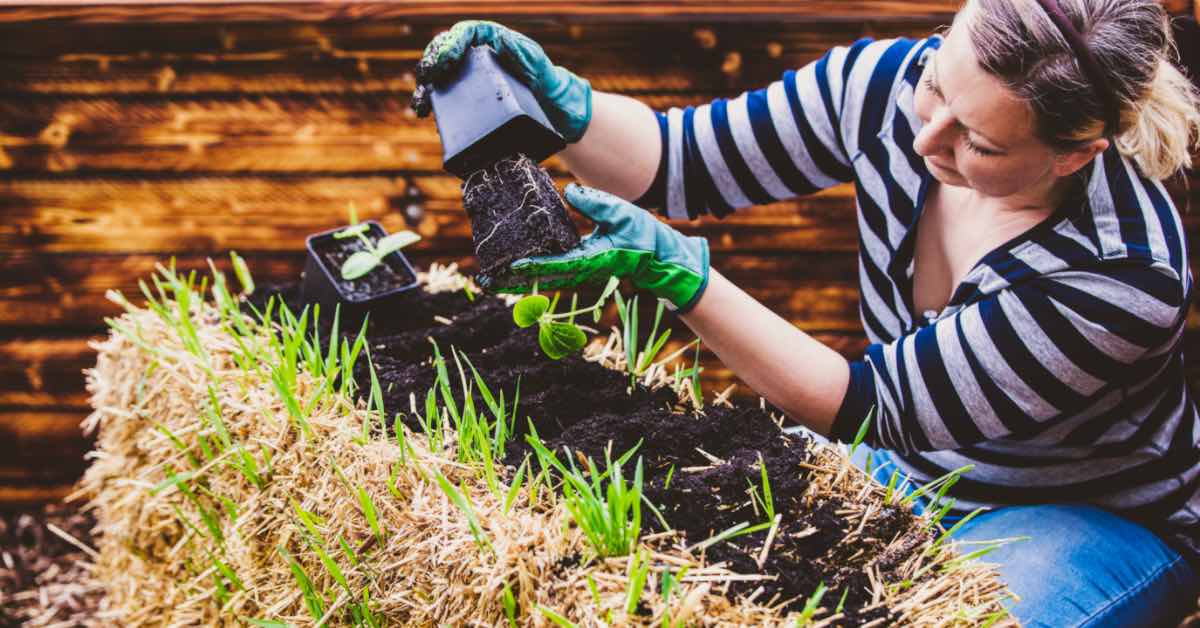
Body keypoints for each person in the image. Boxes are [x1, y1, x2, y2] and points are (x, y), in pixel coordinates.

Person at [413, 0, 1200, 623]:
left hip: (1090, 510)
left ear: (1074, 154)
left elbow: (866, 406)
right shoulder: (889, 85)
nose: (926, 138)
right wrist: (564, 104)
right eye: (937, 86)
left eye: (980, 145)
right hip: (916, 465)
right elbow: (682, 160)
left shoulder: (1124, 276)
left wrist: (680, 278)